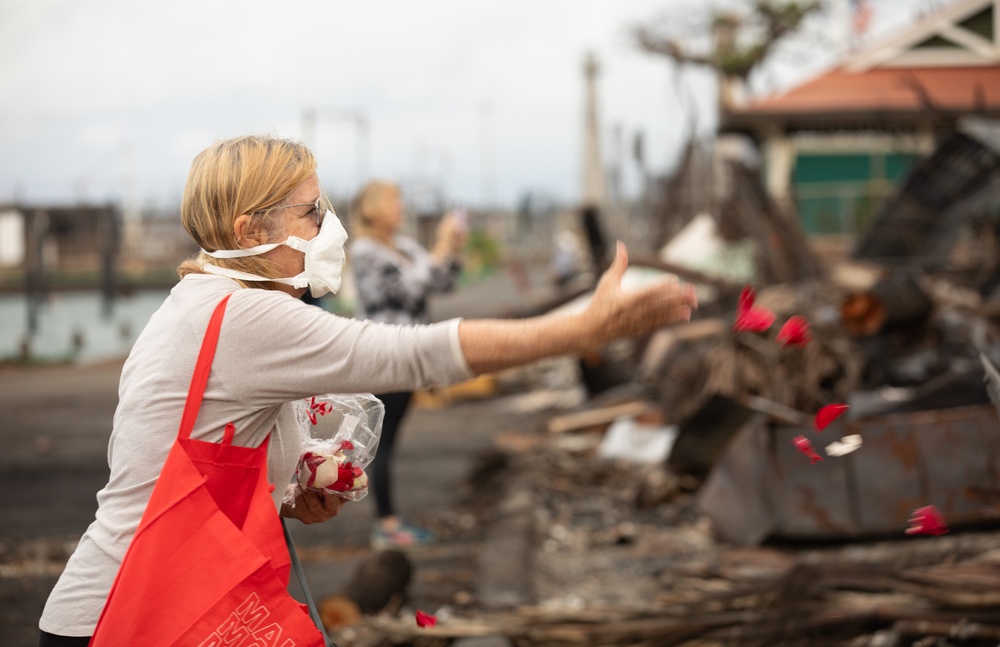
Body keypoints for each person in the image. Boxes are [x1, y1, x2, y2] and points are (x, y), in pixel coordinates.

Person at [37, 135, 696, 645]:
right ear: (248, 232)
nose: (330, 228)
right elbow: (415, 353)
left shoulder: (195, 304)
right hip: (129, 612)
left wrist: (291, 498)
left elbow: (180, 468)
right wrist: (576, 328)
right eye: (311, 211)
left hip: (146, 600)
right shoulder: (245, 316)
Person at [348, 180, 466, 549]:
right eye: (393, 200)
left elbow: (442, 282)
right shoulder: (366, 250)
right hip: (383, 356)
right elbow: (412, 289)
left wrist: (453, 250)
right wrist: (442, 247)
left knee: (389, 439)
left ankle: (388, 520)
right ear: (372, 208)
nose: (400, 207)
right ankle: (386, 524)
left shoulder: (405, 246)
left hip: (409, 357)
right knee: (380, 443)